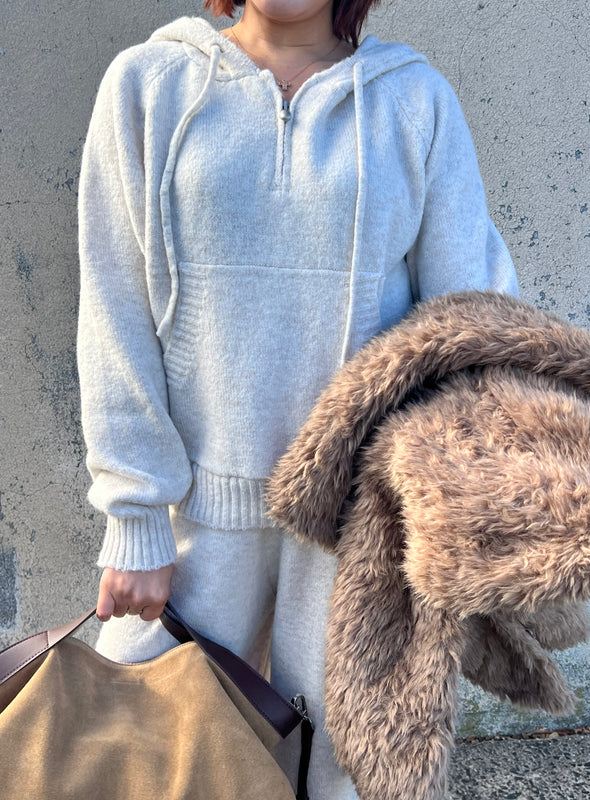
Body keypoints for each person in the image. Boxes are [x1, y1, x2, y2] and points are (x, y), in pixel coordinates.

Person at [77, 0, 519, 797]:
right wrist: (134, 515)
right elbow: (115, 307)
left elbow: (472, 317)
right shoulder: (150, 85)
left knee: (348, 771)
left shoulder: (413, 100)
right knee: (153, 759)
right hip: (196, 521)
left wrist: (463, 502)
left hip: (358, 525)